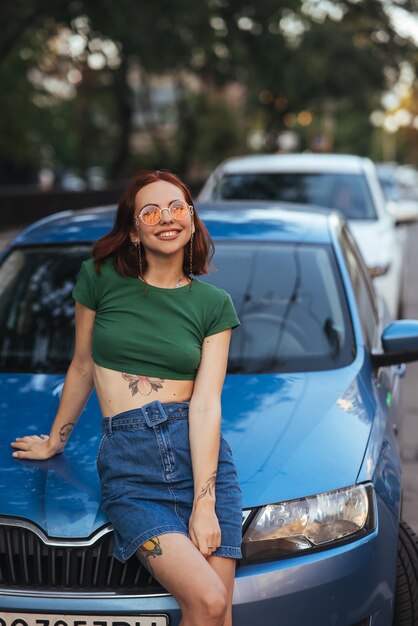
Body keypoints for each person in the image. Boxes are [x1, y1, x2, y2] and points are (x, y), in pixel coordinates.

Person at [11, 170, 242, 626]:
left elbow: (206, 403)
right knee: (209, 601)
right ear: (134, 230)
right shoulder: (98, 278)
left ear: (193, 220)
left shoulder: (214, 304)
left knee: (219, 611)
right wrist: (56, 440)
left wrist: (205, 503)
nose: (166, 218)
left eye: (177, 207)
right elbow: (81, 366)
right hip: (130, 465)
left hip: (197, 454)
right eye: (150, 211)